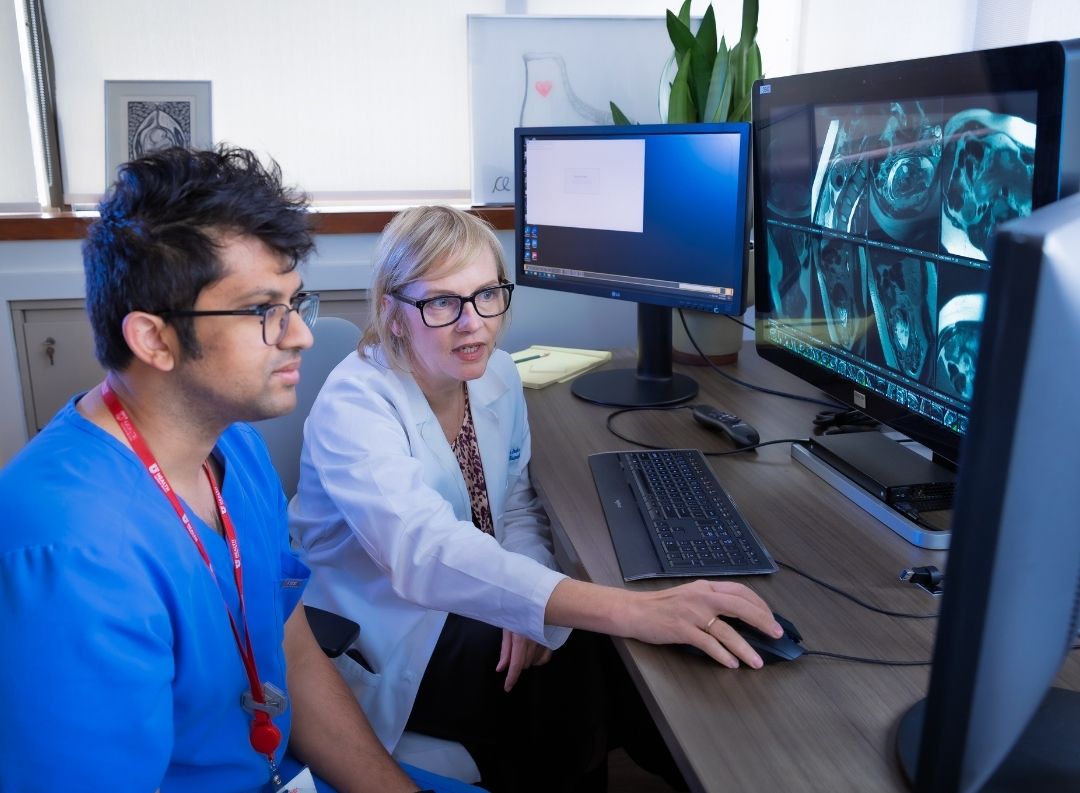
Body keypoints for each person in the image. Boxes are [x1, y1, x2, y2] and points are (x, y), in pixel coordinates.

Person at [0, 148, 478, 793]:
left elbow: (293, 650)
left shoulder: (235, 447)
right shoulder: (69, 552)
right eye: (263, 312)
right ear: (155, 339)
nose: (300, 336)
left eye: (294, 304)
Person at [289, 205, 784, 791]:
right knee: (582, 674)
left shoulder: (495, 374)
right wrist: (614, 610)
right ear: (394, 314)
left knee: (593, 658)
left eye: (486, 295)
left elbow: (517, 506)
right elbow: (421, 554)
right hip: (384, 630)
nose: (472, 323)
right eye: (442, 302)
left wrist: (526, 599)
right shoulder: (357, 402)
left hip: (472, 590)